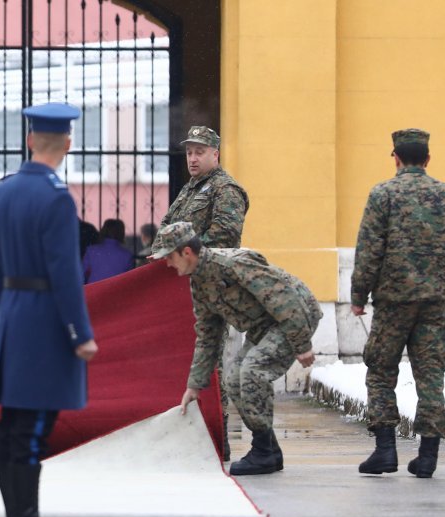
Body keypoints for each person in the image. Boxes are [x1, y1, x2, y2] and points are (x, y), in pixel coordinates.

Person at [0, 102, 98, 517]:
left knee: (13, 424)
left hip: (13, 314)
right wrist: (79, 331)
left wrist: (3, 319)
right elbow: (65, 273)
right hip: (46, 319)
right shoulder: (55, 197)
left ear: (30, 141)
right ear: (67, 144)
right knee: (31, 427)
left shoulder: (0, 193)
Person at [152, 222, 321, 476]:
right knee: (233, 380)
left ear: (186, 252)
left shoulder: (232, 264)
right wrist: (194, 385)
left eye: (169, 257)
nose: (167, 264)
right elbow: (208, 334)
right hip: (265, 325)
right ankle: (270, 450)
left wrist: (302, 344)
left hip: (294, 316)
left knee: (252, 371)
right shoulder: (198, 281)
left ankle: (262, 452)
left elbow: (284, 298)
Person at [351, 128, 445, 479]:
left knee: (381, 370)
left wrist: (358, 296)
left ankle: (385, 450)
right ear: (427, 159)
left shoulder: (383, 194)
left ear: (395, 157)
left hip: (393, 302)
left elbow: (369, 250)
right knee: (431, 375)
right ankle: (427, 456)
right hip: (433, 302)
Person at [151, 125, 250, 462]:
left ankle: (217, 440)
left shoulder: (225, 189)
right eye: (190, 152)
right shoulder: (192, 189)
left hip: (212, 287)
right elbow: (167, 228)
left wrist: (181, 250)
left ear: (215, 154)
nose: (192, 158)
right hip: (182, 289)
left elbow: (225, 236)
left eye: (199, 151)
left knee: (213, 364)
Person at [82, 218, 134, 283]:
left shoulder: (91, 250)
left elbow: (81, 275)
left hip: (93, 290)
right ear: (121, 233)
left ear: (103, 231)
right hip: (116, 291)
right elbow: (129, 280)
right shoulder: (127, 255)